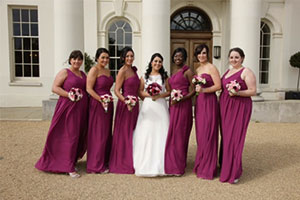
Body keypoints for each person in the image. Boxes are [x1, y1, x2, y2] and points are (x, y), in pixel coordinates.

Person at [35, 50, 88, 178]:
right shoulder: (65, 72)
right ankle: (68, 167)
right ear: (70, 60)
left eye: (79, 59)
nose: (77, 61)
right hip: (67, 108)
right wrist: (69, 94)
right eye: (74, 59)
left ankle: (71, 160)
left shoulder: (83, 74)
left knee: (78, 134)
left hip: (81, 109)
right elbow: (55, 88)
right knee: (69, 135)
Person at [219, 47, 256, 184]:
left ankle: (234, 172)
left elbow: (253, 91)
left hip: (239, 108)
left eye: (236, 57)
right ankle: (225, 166)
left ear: (242, 58)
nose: (233, 60)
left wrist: (238, 93)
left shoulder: (246, 72)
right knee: (227, 137)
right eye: (231, 57)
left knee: (235, 138)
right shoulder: (228, 71)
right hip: (225, 107)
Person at [133, 53, 170, 177]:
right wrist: (150, 95)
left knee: (161, 132)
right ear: (151, 62)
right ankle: (145, 162)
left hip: (160, 106)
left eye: (160, 61)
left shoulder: (165, 77)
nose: (157, 63)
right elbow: (139, 92)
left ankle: (162, 163)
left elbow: (169, 91)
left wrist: (159, 95)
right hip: (149, 106)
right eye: (155, 61)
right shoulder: (144, 77)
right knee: (147, 132)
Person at [109, 47, 140, 174]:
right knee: (124, 132)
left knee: (133, 131)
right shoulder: (122, 71)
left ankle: (133, 158)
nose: (129, 58)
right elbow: (116, 90)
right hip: (126, 105)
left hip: (135, 104)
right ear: (123, 57)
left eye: (131, 56)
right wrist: (126, 101)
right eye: (127, 56)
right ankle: (122, 160)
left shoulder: (133, 70)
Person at [164, 47, 194, 176]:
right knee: (172, 134)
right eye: (176, 56)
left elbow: (193, 90)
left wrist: (182, 98)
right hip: (173, 106)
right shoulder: (173, 71)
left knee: (180, 134)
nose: (178, 59)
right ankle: (172, 162)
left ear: (185, 58)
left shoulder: (187, 72)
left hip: (183, 107)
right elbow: (169, 89)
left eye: (180, 56)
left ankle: (179, 166)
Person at [193, 44, 221, 180]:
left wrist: (204, 90)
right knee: (200, 134)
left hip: (209, 102)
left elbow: (218, 86)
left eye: (204, 53)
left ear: (208, 54)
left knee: (208, 132)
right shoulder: (198, 69)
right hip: (200, 103)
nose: (201, 56)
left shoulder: (211, 67)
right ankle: (201, 163)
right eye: (199, 54)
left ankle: (209, 167)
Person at [86, 48, 113, 173]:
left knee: (106, 133)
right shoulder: (94, 70)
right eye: (102, 57)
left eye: (107, 58)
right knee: (98, 133)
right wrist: (101, 99)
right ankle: (95, 164)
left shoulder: (108, 71)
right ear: (97, 58)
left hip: (108, 104)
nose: (105, 60)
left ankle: (104, 160)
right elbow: (89, 89)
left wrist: (107, 100)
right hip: (97, 104)